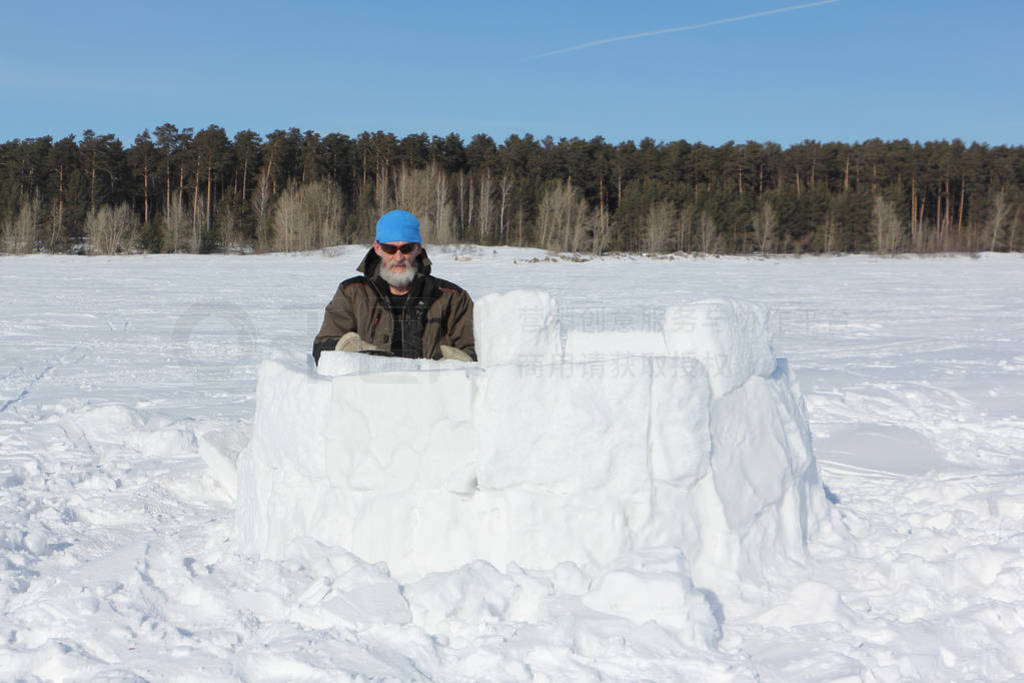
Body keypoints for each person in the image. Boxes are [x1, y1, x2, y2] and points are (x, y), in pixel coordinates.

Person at [312, 210, 476, 364]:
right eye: (390, 248)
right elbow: (321, 349)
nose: (398, 257)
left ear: (418, 248)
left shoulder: (452, 298)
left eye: (406, 248)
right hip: (368, 392)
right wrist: (344, 347)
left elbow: (476, 351)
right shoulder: (352, 293)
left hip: (432, 391)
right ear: (377, 248)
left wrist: (457, 364)